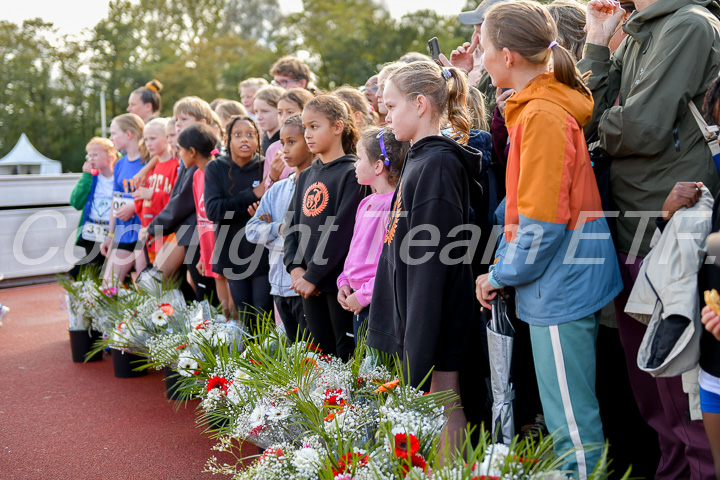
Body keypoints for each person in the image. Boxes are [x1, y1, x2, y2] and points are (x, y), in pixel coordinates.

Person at [473, 1, 622, 475]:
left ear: (509, 54)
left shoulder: (540, 114)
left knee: (571, 423)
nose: (480, 52)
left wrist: (500, 272)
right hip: (560, 278)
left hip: (561, 282)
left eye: (485, 44)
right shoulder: (536, 108)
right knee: (567, 415)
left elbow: (543, 223)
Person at [578, 1, 720, 478]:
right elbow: (584, 110)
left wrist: (605, 124)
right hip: (634, 227)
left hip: (672, 230)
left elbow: (642, 128)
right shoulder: (639, 29)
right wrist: (597, 40)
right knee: (655, 403)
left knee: (687, 404)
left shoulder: (690, 24)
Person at [366, 60, 479, 452]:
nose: (385, 114)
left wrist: (420, 325)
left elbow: (433, 257)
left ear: (419, 104)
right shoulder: (419, 156)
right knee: (437, 395)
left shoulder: (439, 162)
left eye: (392, 105)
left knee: (444, 396)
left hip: (437, 306)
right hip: (419, 305)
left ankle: (456, 473)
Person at [283, 95, 368, 361]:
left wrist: (314, 275)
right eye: (305, 127)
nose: (307, 134)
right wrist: (297, 270)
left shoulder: (353, 172)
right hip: (308, 284)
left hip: (337, 286)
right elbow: (292, 226)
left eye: (314, 126)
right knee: (320, 355)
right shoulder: (307, 174)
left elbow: (342, 231)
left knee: (345, 354)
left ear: (338, 127)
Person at [338, 126, 408, 346]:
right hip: (356, 296)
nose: (354, 165)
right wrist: (344, 280)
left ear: (378, 166)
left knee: (377, 370)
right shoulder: (366, 203)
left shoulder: (393, 206)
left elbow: (391, 262)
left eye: (359, 158)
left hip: (376, 299)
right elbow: (355, 250)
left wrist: (364, 295)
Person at [247, 115, 314, 342]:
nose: (284, 149)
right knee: (290, 355)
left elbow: (310, 236)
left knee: (311, 354)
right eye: (282, 143)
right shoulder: (278, 189)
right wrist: (279, 228)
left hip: (304, 286)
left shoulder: (318, 185)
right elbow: (251, 230)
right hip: (277, 284)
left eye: (292, 142)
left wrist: (275, 232)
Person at [145, 97, 217, 302]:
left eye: (184, 119)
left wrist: (153, 228)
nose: (178, 124)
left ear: (202, 123)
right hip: (188, 231)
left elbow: (182, 201)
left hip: (198, 231)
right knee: (190, 283)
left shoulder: (198, 159)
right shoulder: (186, 158)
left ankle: (209, 330)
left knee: (205, 291)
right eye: (176, 119)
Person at [204, 116, 272, 326]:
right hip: (232, 251)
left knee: (263, 312)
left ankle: (264, 358)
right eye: (238, 135)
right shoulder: (216, 168)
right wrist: (253, 194)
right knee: (244, 314)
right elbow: (214, 210)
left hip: (262, 253)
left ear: (258, 139)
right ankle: (247, 358)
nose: (245, 140)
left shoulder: (265, 166)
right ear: (228, 139)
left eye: (251, 134)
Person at [173, 123, 235, 318]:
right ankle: (227, 341)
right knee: (223, 307)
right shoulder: (197, 175)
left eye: (180, 150)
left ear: (192, 152)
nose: (179, 155)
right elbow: (202, 217)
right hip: (208, 248)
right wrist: (202, 254)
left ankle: (240, 344)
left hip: (226, 246)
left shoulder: (222, 171)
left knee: (234, 307)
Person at [100, 113, 148, 286]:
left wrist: (135, 207)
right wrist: (110, 234)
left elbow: (157, 194)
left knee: (146, 286)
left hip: (144, 231)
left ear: (128, 134)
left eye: (114, 133)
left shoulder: (148, 161)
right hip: (124, 232)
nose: (111, 138)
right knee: (108, 286)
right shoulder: (120, 164)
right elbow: (116, 199)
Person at [68, 137, 117, 279]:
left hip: (113, 229)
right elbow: (76, 202)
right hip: (93, 230)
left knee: (112, 266)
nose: (91, 159)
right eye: (89, 155)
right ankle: (75, 276)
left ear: (110, 155)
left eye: (95, 155)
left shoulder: (119, 176)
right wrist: (86, 176)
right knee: (94, 262)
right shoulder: (91, 177)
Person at [134, 118, 178, 265]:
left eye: (153, 138)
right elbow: (141, 205)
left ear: (167, 138)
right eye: (146, 140)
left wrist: (152, 195)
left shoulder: (175, 165)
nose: (148, 143)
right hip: (148, 231)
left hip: (166, 233)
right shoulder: (150, 168)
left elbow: (176, 202)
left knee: (165, 279)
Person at [260, 88, 315, 192]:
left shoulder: (315, 145)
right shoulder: (273, 150)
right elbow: (267, 194)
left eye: (290, 112)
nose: (283, 118)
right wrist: (272, 177)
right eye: (280, 113)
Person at [253, 86, 284, 156]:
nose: (258, 117)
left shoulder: (285, 140)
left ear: (280, 111)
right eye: (256, 111)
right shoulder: (264, 138)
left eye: (264, 111)